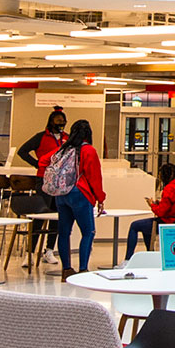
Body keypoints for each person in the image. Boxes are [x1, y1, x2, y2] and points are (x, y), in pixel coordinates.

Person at [50, 118, 105, 281]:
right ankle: (82, 270)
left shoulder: (64, 148)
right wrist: (100, 198)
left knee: (64, 232)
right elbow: (94, 177)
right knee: (88, 232)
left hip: (62, 193)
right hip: (80, 193)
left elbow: (44, 161)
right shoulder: (88, 150)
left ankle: (66, 269)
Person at [15, 106, 67, 265]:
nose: (60, 124)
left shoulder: (67, 138)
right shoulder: (40, 137)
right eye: (57, 121)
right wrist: (37, 164)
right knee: (39, 215)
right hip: (44, 179)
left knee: (57, 216)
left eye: (63, 121)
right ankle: (30, 253)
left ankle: (49, 250)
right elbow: (22, 151)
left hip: (61, 181)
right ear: (51, 122)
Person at [124, 161, 175, 261]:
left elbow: (160, 212)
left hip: (168, 222)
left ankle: (127, 260)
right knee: (146, 228)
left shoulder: (169, 188)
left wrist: (152, 205)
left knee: (135, 226)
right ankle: (150, 255)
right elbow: (174, 204)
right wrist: (160, 203)